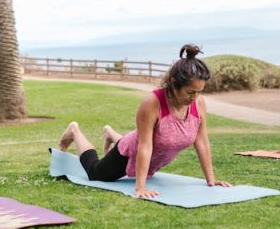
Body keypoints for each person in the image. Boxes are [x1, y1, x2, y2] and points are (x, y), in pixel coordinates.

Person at [58, 45, 232, 199]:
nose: (194, 98)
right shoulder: (152, 103)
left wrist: (211, 180)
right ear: (173, 83)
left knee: (137, 140)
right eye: (189, 92)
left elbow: (201, 141)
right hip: (130, 152)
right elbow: (145, 145)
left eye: (199, 92)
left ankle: (111, 133)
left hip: (149, 150)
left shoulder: (198, 103)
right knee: (95, 173)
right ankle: (75, 132)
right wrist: (140, 187)